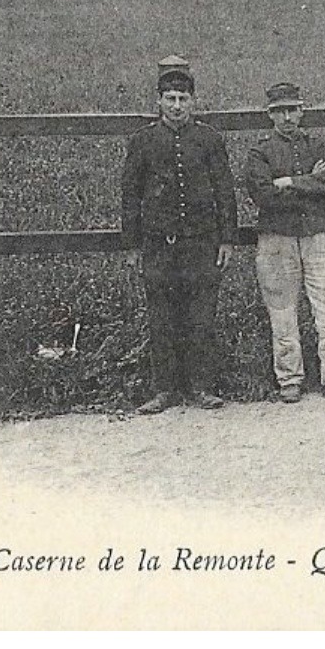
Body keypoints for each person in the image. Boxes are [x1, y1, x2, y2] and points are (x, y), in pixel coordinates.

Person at [120, 56, 237, 414]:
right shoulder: (143, 141)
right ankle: (165, 389)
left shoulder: (208, 140)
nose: (176, 106)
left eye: (183, 99)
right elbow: (130, 194)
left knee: (201, 317)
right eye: (169, 98)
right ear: (159, 101)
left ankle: (201, 387)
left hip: (201, 244)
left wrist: (227, 238)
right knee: (162, 318)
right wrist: (132, 245)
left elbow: (224, 191)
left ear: (193, 102)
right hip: (159, 246)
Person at [246, 82, 325, 405]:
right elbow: (262, 194)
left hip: (318, 235)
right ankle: (289, 378)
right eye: (280, 111)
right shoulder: (260, 151)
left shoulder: (317, 147)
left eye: (292, 110)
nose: (287, 117)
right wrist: (308, 185)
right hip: (277, 238)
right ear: (270, 115)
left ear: (301, 111)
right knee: (282, 310)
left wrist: (288, 182)